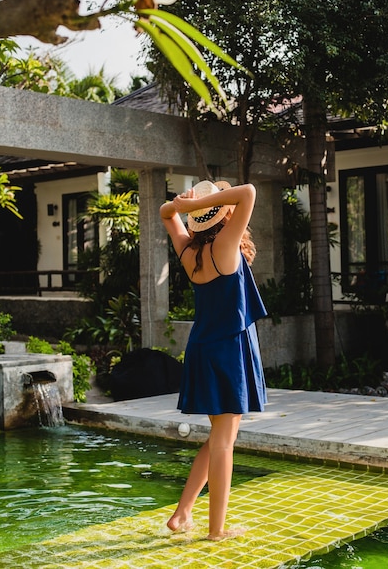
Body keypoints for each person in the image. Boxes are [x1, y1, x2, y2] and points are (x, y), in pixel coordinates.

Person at [159, 179, 267, 541]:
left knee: (220, 435)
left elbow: (164, 213)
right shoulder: (226, 245)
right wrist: (195, 205)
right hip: (228, 349)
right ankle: (216, 531)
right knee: (223, 440)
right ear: (223, 215)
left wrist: (183, 207)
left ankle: (182, 514)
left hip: (204, 347)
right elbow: (248, 192)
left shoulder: (190, 252)